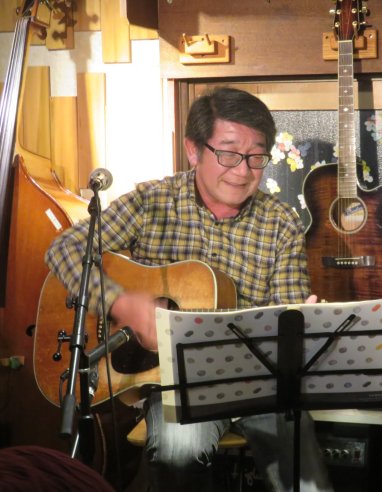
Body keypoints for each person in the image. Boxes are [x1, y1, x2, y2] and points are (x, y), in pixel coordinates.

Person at [45, 87, 333, 492]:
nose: (243, 171)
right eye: (229, 154)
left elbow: (287, 311)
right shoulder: (151, 202)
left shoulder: (281, 222)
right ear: (193, 150)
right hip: (171, 380)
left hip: (255, 381)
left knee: (301, 468)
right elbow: (64, 250)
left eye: (256, 157)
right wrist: (123, 304)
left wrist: (296, 324)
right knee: (180, 449)